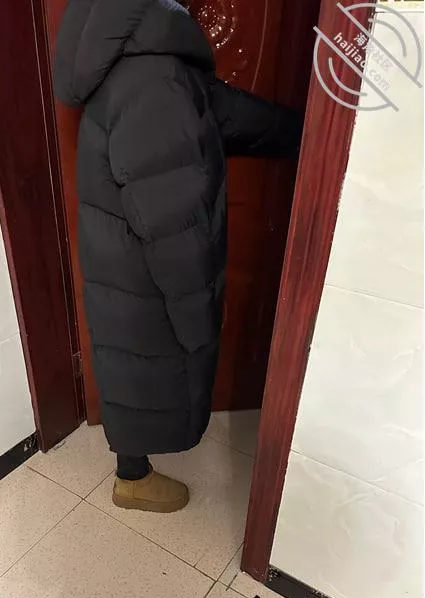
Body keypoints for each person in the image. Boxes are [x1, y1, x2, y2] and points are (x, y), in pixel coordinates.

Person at [53, 0, 302, 514]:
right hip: (148, 273)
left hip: (124, 263)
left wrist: (304, 132)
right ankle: (132, 481)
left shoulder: (128, 57)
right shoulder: (155, 81)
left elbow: (220, 110)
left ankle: (132, 472)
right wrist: (198, 321)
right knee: (144, 360)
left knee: (130, 362)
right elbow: (176, 230)